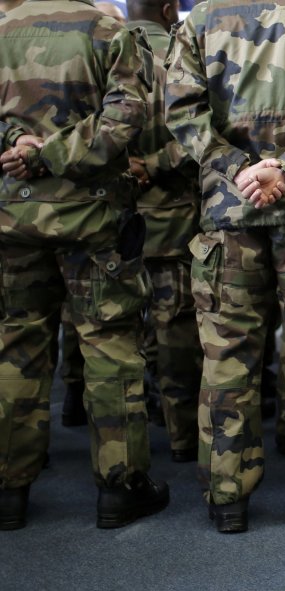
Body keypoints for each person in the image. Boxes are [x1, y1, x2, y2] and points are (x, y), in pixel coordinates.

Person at [165, 0, 285, 533]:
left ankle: (227, 497)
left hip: (229, 211)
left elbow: (181, 110)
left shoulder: (200, 20)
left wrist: (239, 170)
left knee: (227, 352)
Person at [0, 0, 169, 530]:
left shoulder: (2, 29)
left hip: (14, 214)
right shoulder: (105, 29)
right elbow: (126, 117)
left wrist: (18, 146)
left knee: (15, 348)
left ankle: (8, 490)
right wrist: (52, 152)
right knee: (109, 345)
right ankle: (120, 489)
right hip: (93, 217)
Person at [125, 0, 201, 463]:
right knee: (176, 329)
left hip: (107, 215)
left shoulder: (103, 49)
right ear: (171, 8)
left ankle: (124, 448)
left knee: (112, 334)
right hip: (172, 216)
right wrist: (154, 166)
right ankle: (183, 439)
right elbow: (197, 134)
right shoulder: (177, 53)